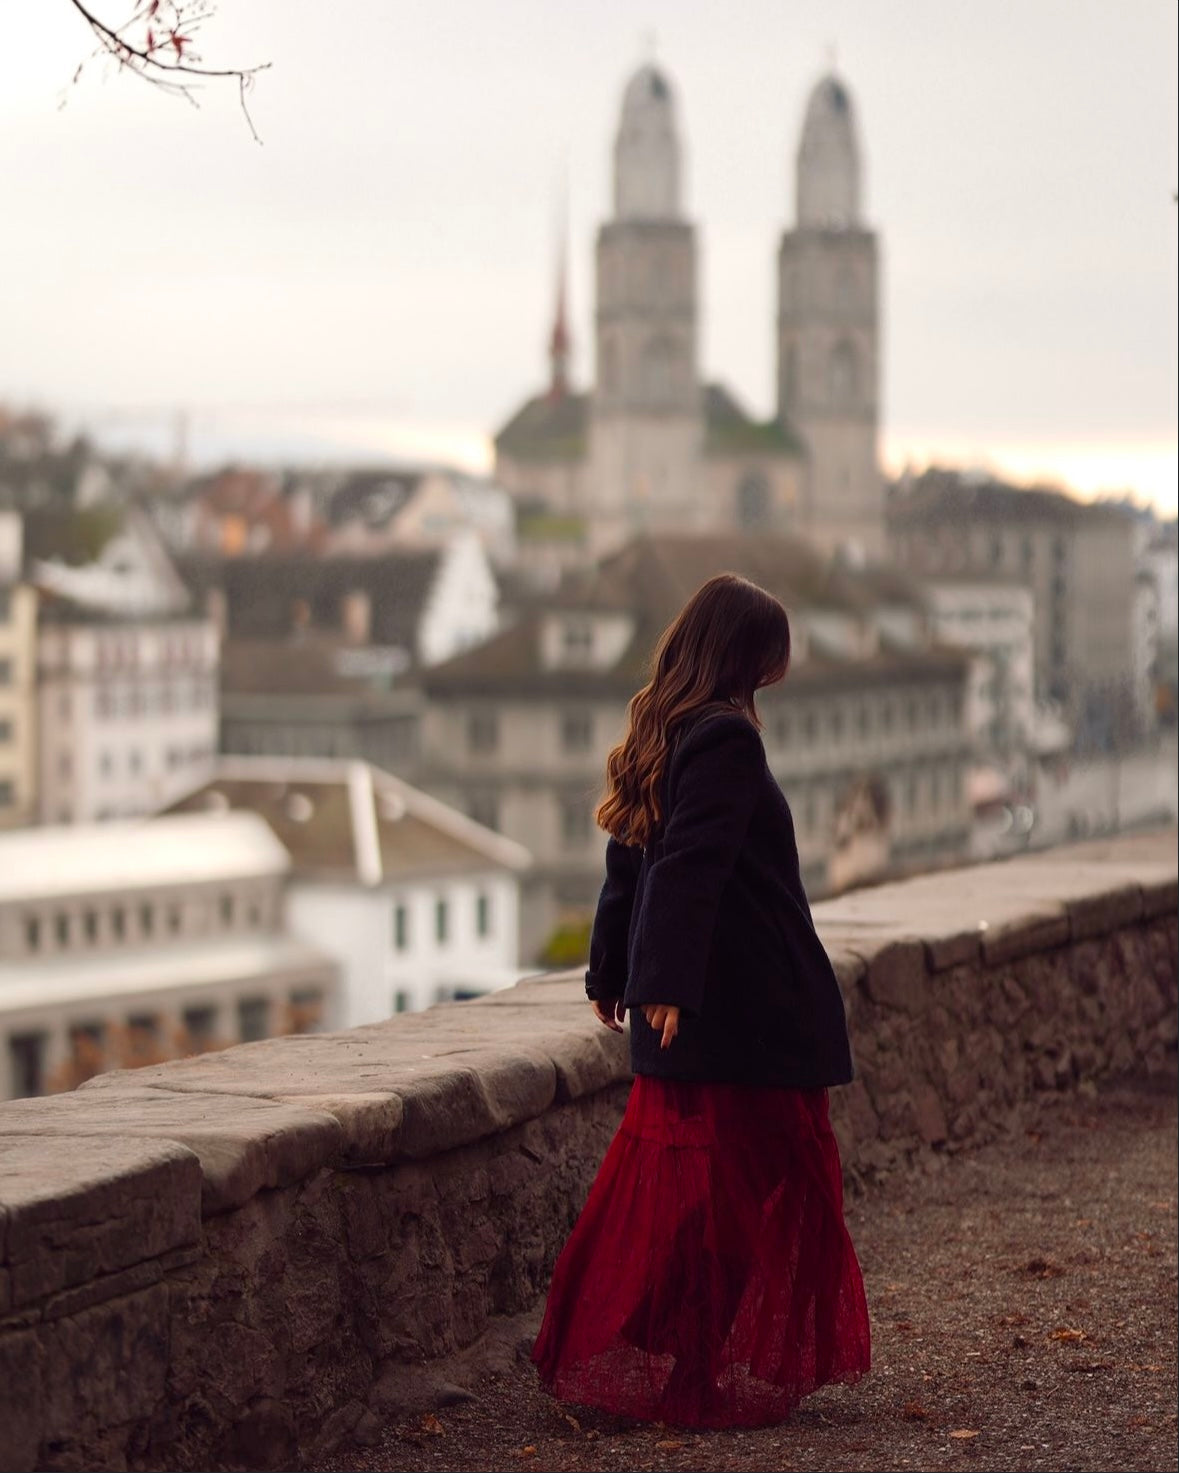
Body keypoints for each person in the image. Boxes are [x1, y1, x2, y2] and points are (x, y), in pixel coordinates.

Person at [531, 572, 871, 1429]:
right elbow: (686, 866)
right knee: (749, 1191)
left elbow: (629, 863)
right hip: (741, 1012)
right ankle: (667, 1361)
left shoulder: (667, 732)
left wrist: (613, 974)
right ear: (746, 654)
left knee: (702, 1197)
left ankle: (657, 1352)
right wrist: (663, 986)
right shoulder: (726, 740)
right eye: (771, 653)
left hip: (696, 1007)